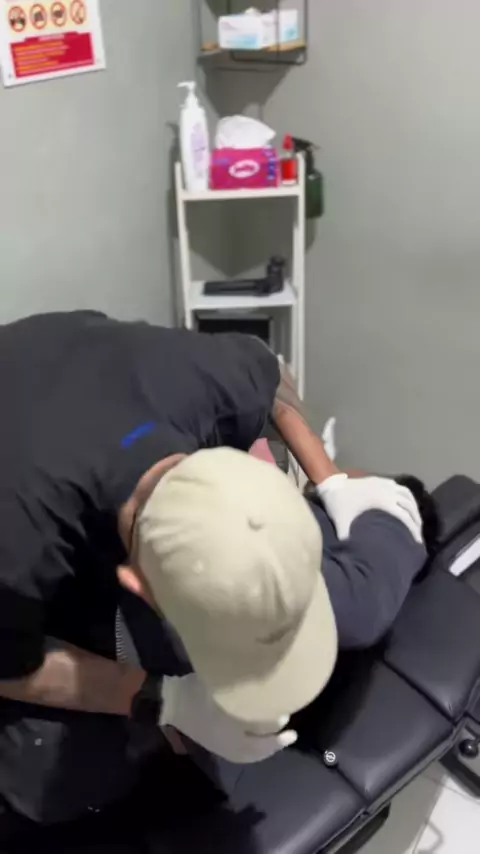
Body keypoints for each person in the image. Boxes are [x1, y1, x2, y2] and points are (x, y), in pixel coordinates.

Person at [0, 310, 424, 829]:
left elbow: (273, 380)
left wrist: (332, 478)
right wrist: (160, 699)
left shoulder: (208, 379)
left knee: (355, 607)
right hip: (28, 514)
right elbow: (10, 671)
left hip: (84, 391)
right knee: (49, 781)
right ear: (137, 583)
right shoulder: (15, 548)